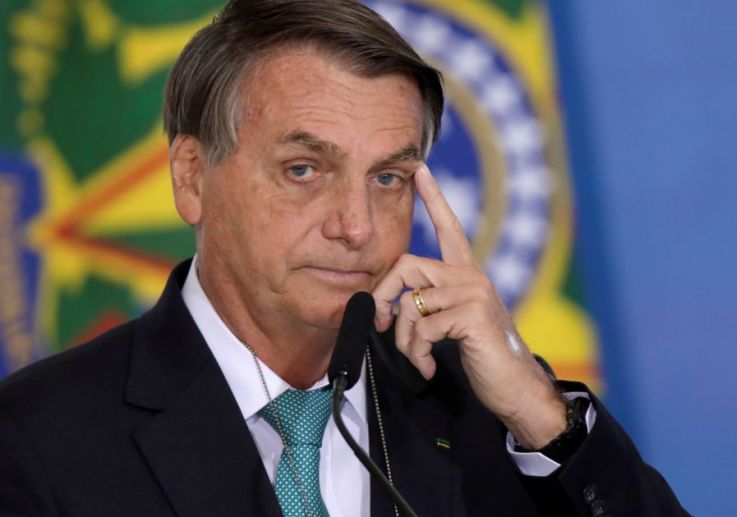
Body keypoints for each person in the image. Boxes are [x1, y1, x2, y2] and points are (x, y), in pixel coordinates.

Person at [0, 1, 689, 516]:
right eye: (304, 169)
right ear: (191, 177)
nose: (356, 227)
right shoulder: (35, 440)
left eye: (388, 178)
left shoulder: (482, 412)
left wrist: (539, 414)